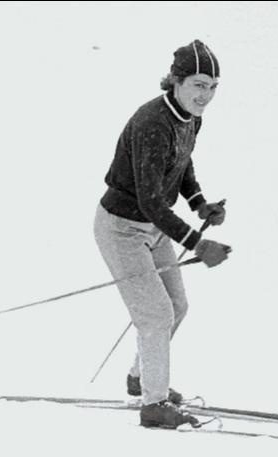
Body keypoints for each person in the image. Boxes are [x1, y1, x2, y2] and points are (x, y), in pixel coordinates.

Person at [93, 39, 230, 429]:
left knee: (176, 306)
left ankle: (141, 378)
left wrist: (200, 203)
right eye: (199, 84)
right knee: (155, 315)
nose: (206, 95)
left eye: (212, 86)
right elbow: (152, 200)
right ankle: (154, 405)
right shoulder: (152, 123)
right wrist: (198, 244)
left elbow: (182, 163)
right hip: (122, 229)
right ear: (176, 81)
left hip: (155, 227)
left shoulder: (189, 118)